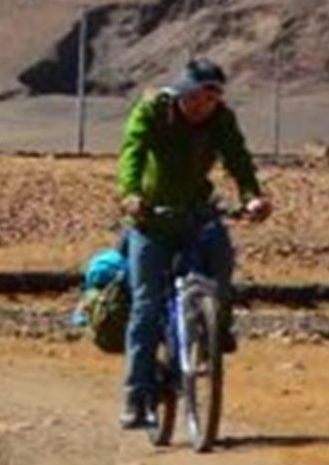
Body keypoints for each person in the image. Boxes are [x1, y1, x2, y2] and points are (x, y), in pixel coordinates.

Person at [115, 58, 270, 431]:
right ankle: (136, 396)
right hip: (150, 220)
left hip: (196, 214)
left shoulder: (221, 119)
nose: (203, 106)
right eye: (198, 97)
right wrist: (131, 194)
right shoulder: (154, 111)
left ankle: (217, 328)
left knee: (221, 259)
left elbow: (238, 158)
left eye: (211, 98)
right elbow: (132, 151)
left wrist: (252, 195)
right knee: (146, 306)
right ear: (183, 92)